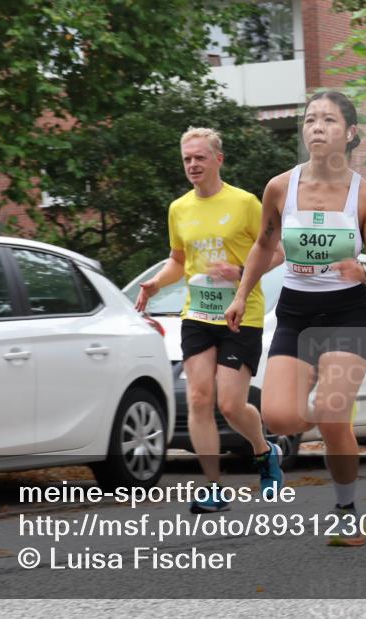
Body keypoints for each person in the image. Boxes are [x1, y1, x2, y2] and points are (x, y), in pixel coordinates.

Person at [225, 90, 366, 546]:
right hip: (296, 311)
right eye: (311, 120)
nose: (318, 127)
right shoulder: (280, 187)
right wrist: (242, 293)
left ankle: (346, 509)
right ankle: (273, 447)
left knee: (332, 415)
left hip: (348, 313)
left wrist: (364, 270)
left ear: (350, 133)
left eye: (330, 121)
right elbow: (263, 245)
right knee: (281, 417)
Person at [135, 127, 284, 513]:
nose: (192, 165)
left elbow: (278, 252)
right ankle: (214, 487)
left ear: (218, 159)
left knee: (231, 405)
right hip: (198, 314)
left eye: (200, 157)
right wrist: (153, 284)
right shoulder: (179, 208)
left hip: (240, 313)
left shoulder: (247, 203)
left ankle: (264, 450)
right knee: (200, 398)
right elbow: (178, 262)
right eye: (187, 158)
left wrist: (240, 272)